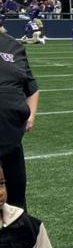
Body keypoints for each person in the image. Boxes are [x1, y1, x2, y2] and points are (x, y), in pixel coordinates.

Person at [0, 27, 37, 209]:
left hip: (11, 141)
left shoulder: (13, 46)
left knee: (16, 203)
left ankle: (16, 236)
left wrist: (30, 115)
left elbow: (32, 88)